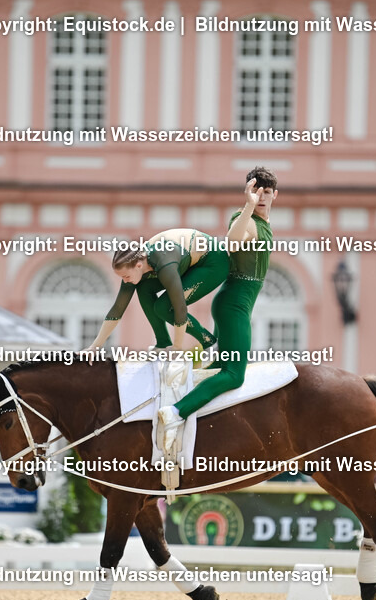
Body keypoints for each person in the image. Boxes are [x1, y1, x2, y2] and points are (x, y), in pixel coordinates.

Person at [156, 167, 277, 440]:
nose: (260, 197)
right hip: (233, 306)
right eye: (255, 191)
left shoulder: (263, 223)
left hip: (236, 305)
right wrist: (248, 206)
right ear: (247, 192)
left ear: (274, 195)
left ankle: (187, 414)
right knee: (234, 374)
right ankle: (175, 412)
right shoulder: (245, 219)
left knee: (216, 370)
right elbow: (232, 243)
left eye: (266, 192)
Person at [84, 228, 230, 352]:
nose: (125, 281)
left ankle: (210, 343)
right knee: (143, 288)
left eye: (126, 276)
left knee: (164, 307)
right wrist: (94, 347)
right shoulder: (135, 264)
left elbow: (179, 307)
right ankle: (162, 343)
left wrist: (177, 347)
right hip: (187, 261)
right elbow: (118, 308)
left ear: (138, 266)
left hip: (213, 262)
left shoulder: (165, 264)